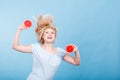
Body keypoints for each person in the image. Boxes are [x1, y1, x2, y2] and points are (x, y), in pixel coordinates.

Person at [12, 14, 80, 80]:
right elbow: (15, 46)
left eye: (52, 33)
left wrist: (76, 51)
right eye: (47, 32)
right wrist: (19, 29)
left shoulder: (60, 52)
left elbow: (76, 62)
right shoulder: (35, 48)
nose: (50, 34)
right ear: (43, 36)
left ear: (54, 37)